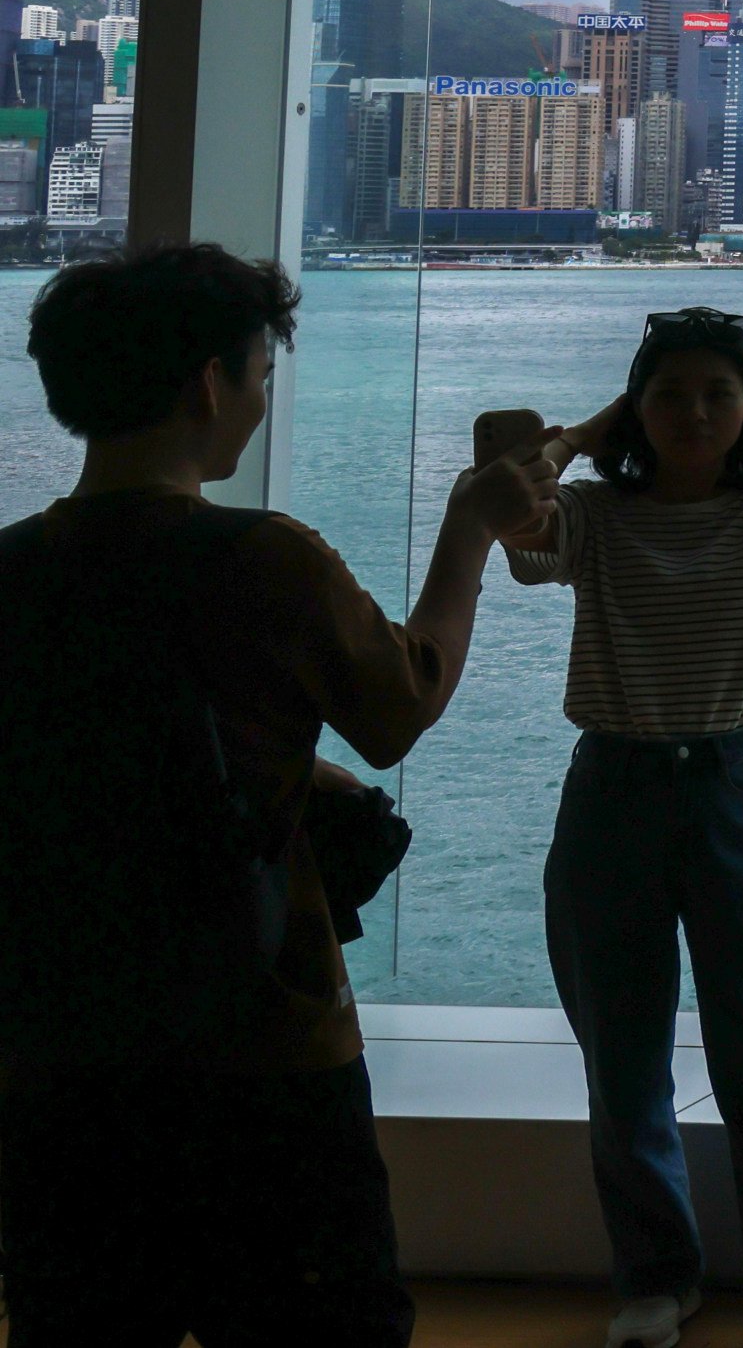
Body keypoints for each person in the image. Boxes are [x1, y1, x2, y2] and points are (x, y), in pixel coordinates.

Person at [0, 245, 550, 1348]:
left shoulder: (14, 571)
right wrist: (472, 529)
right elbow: (403, 703)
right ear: (211, 384)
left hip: (59, 1053)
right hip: (262, 1047)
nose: (260, 396)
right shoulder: (264, 560)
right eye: (259, 372)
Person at [483, 306, 743, 1348]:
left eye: (718, 393)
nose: (694, 413)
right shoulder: (597, 517)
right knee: (622, 1051)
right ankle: (655, 1280)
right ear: (636, 406)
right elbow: (511, 515)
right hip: (611, 786)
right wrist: (587, 430)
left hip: (729, 790)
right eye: (669, 394)